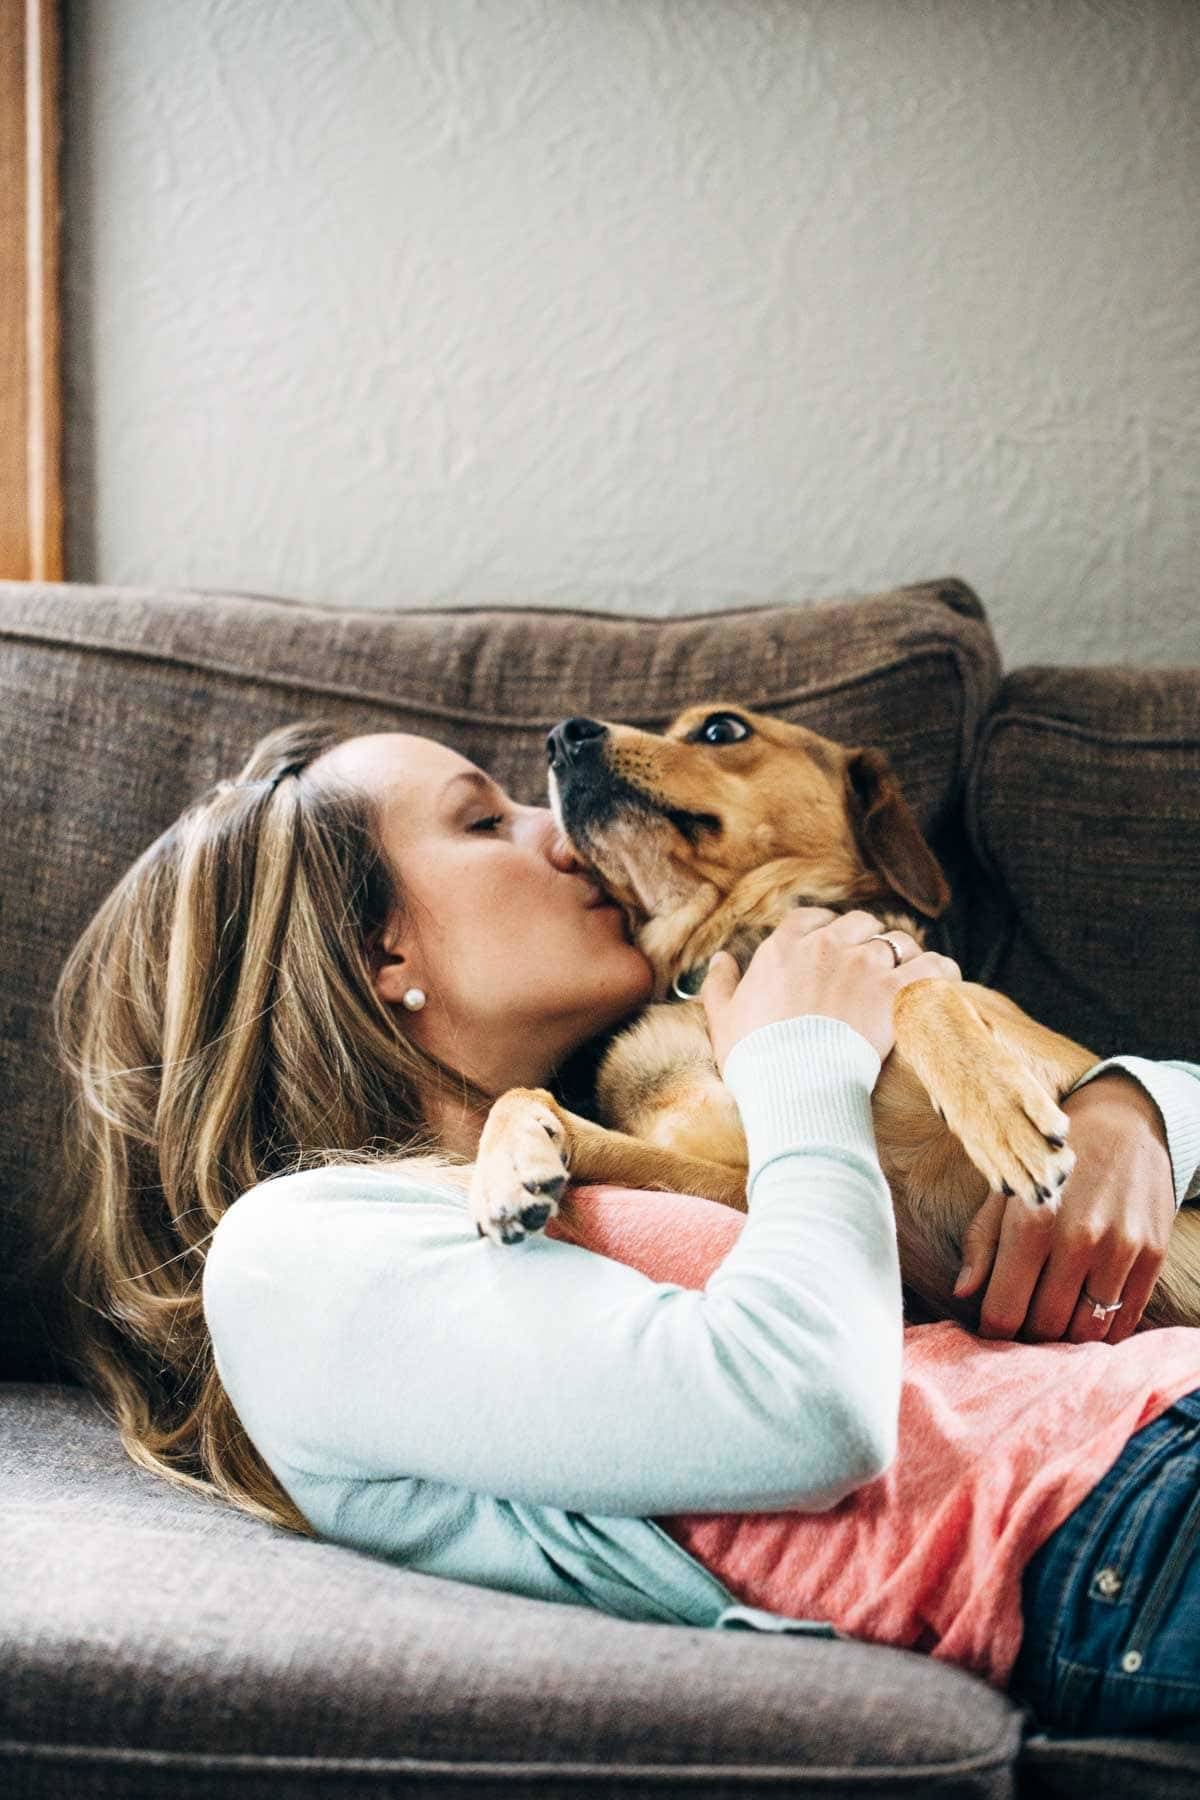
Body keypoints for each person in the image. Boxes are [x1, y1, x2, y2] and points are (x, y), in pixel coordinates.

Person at [46, 719, 1200, 1740]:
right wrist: (806, 1056)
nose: (560, 831)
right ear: (379, 951)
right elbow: (801, 1411)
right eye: (485, 820)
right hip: (1119, 1511)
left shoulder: (604, 1130)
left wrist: (1129, 1112)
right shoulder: (294, 1257)